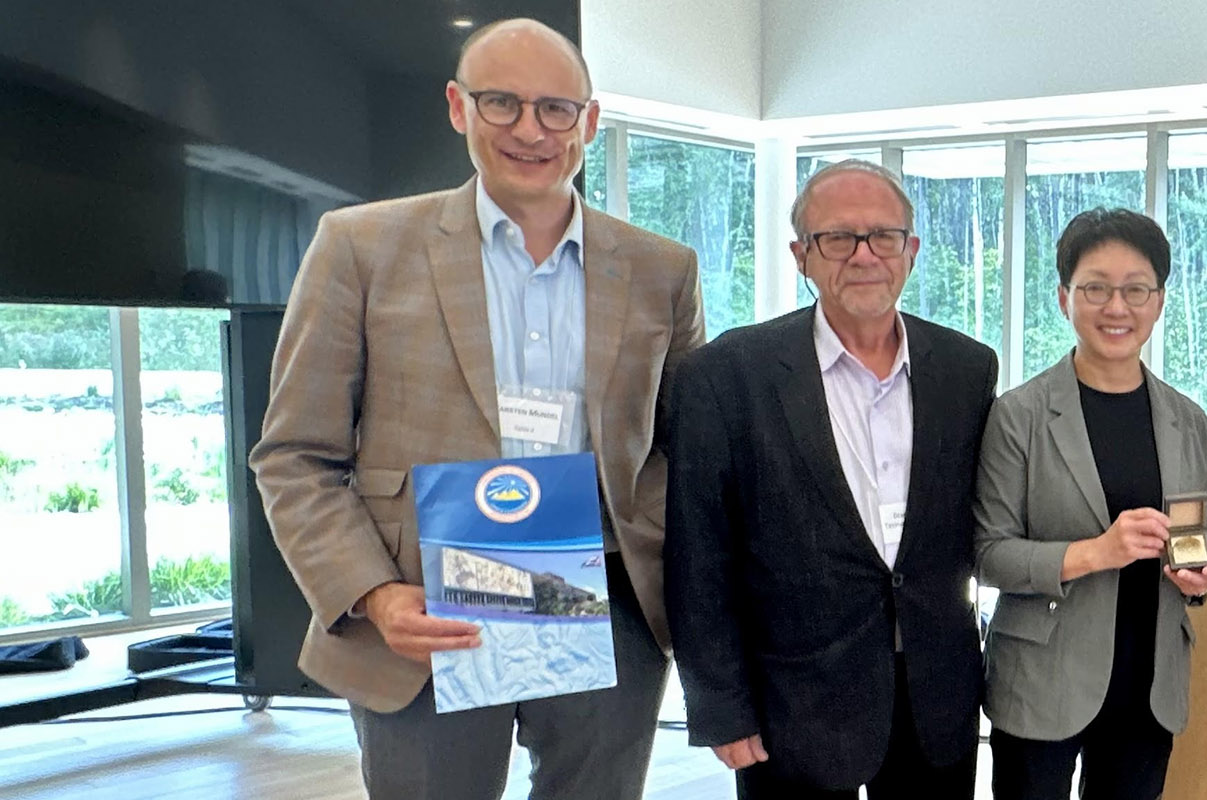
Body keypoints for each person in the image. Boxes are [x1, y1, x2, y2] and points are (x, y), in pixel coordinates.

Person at [247, 18, 703, 799]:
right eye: (503, 103)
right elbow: (295, 455)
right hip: (423, 610)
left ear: (589, 122)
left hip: (603, 605)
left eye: (557, 109)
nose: (531, 130)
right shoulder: (359, 247)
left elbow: (687, 451)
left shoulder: (663, 268)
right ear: (459, 107)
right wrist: (373, 594)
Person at [664, 159, 997, 799]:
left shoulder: (966, 369)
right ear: (802, 256)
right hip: (793, 702)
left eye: (884, 236)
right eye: (838, 238)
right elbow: (698, 555)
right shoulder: (728, 374)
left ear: (912, 250)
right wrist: (721, 707)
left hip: (935, 693)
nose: (864, 254)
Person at [972, 208, 1207, 800]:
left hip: (1149, 683)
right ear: (1064, 298)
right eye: (1096, 289)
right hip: (1042, 681)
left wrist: (1199, 578)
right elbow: (988, 554)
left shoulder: (1187, 419)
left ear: (1159, 301)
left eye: (1136, 289)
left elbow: (1202, 535)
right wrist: (1096, 552)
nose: (1117, 308)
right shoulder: (1020, 415)